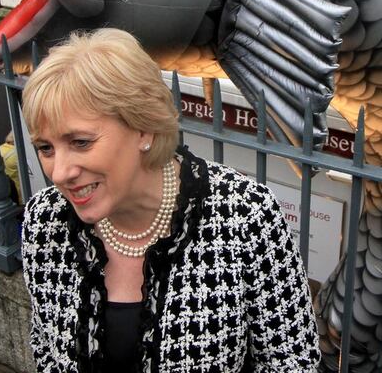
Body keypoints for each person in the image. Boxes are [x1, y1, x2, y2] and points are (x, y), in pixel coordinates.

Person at [20, 28, 319, 372]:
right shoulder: (45, 221)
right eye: (46, 147)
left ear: (143, 129)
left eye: (81, 142)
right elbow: (46, 351)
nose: (59, 173)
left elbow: (292, 363)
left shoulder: (245, 215)